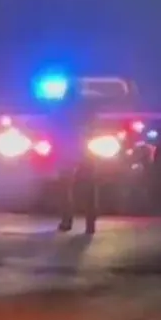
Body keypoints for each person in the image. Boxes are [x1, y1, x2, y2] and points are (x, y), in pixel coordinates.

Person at [55, 98, 100, 234]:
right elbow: (94, 127)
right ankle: (90, 224)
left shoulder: (62, 109)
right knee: (88, 188)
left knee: (66, 188)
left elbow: (56, 129)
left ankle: (67, 221)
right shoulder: (88, 109)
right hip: (85, 152)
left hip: (68, 151)